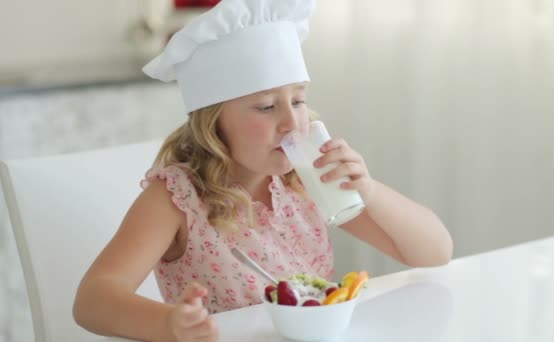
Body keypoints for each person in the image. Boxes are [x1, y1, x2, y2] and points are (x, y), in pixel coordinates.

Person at [73, 0, 453, 341]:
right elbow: (93, 300)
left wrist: (368, 190)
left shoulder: (305, 180)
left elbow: (434, 252)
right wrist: (170, 324)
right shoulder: (176, 198)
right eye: (266, 107)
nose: (293, 123)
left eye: (299, 100)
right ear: (214, 123)